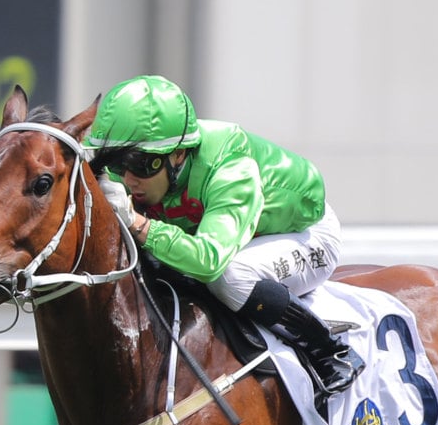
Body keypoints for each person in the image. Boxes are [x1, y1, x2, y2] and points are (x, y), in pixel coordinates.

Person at [87, 74, 363, 393]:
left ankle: (330, 351)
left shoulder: (230, 165)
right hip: (228, 237)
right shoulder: (143, 170)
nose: (129, 179)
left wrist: (138, 223)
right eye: (118, 165)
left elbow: (209, 261)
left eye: (142, 164)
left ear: (179, 155)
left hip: (305, 235)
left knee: (228, 276)